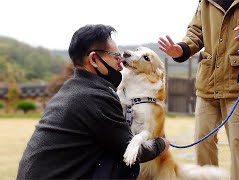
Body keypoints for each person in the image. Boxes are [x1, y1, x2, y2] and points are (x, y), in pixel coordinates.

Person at [17, 24, 169, 180]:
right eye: (116, 57)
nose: (120, 63)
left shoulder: (73, 89)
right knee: (122, 164)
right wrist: (162, 143)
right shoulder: (97, 98)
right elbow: (133, 152)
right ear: (94, 59)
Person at [158, 0, 239, 180]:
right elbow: (196, 33)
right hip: (207, 85)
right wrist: (181, 49)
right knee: (203, 142)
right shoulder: (205, 2)